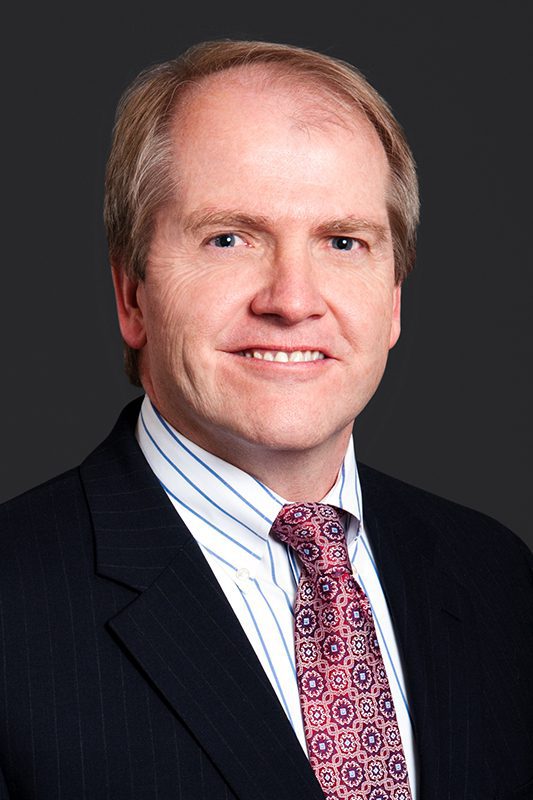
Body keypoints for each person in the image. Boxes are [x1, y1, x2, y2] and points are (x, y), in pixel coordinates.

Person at [0, 40, 531, 800]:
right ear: (131, 294)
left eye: (343, 242)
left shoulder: (497, 579)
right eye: (229, 239)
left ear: (393, 300)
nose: (291, 300)